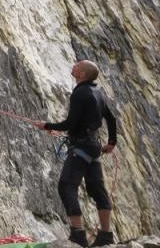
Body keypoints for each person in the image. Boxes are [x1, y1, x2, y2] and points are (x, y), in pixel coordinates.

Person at [36, 60, 119, 248]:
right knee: (97, 190)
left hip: (80, 148)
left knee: (66, 186)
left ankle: (78, 235)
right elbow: (111, 119)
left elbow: (70, 124)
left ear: (81, 74)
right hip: (94, 147)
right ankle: (106, 235)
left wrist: (46, 126)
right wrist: (111, 143)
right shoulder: (99, 93)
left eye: (77, 66)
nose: (73, 66)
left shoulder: (80, 93)